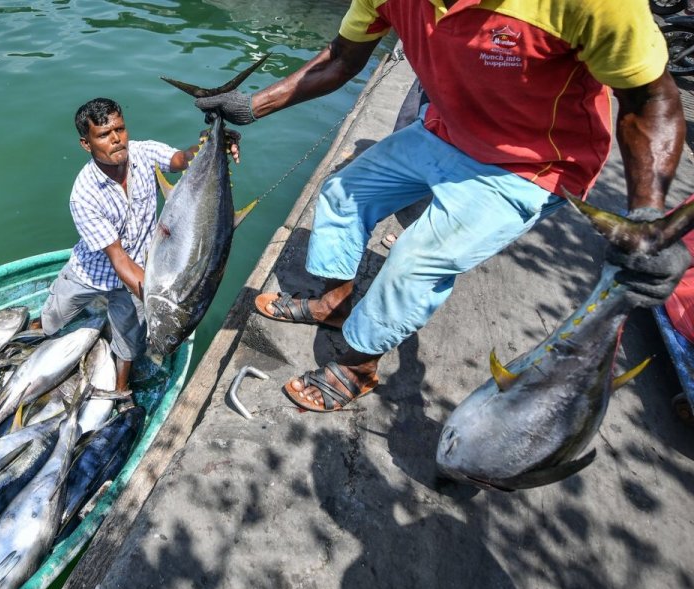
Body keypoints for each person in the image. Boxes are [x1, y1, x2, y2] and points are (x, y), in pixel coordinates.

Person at [196, 0, 689, 412]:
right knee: (343, 193)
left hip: (534, 164)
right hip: (445, 131)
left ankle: (358, 365)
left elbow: (650, 100)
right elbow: (340, 58)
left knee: (416, 260)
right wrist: (251, 106)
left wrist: (646, 213)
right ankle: (336, 303)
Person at [41, 97, 240, 393]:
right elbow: (118, 259)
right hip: (91, 273)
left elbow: (181, 160)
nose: (116, 139)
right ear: (86, 143)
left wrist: (209, 143)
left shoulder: (142, 153)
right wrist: (160, 299)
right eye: (104, 135)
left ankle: (120, 392)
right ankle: (33, 337)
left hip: (141, 271)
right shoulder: (83, 195)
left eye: (120, 129)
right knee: (52, 318)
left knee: (130, 341)